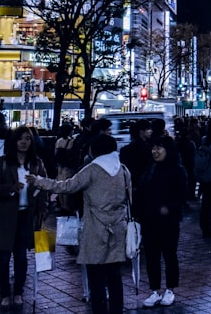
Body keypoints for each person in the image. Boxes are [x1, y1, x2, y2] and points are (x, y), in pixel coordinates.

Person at [27, 134, 130, 314]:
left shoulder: (93, 169)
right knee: (114, 277)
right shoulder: (123, 169)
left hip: (96, 229)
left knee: (96, 278)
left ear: (95, 150)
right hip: (118, 228)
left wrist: (39, 181)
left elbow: (66, 186)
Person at [0, 126, 48, 310]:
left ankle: (19, 291)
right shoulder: (1, 163)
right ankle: (5, 292)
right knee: (3, 256)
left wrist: (42, 206)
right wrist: (11, 188)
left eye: (27, 139)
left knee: (21, 256)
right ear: (13, 141)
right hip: (5, 216)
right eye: (20, 139)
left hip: (26, 216)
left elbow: (44, 186)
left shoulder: (36, 163)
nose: (24, 142)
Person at [138, 135, 187, 308]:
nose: (155, 151)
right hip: (150, 220)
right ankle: (155, 290)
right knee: (152, 256)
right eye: (153, 148)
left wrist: (168, 207)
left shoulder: (177, 170)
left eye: (159, 148)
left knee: (169, 255)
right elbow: (142, 191)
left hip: (169, 221)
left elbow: (182, 194)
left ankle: (170, 289)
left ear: (168, 150)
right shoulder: (150, 168)